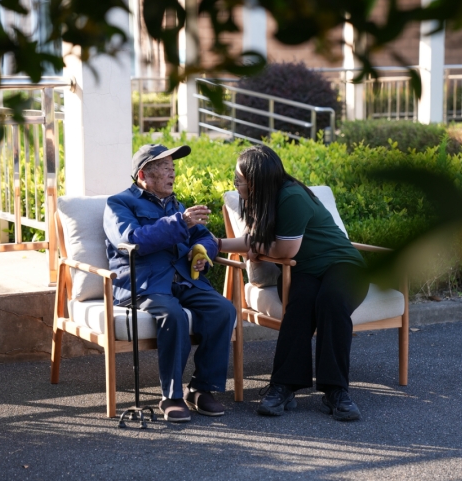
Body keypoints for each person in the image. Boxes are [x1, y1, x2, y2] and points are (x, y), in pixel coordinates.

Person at [219, 146, 369, 421]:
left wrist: (258, 247)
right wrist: (217, 244)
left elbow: (286, 250)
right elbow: (252, 240)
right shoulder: (259, 199)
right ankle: (284, 387)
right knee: (299, 306)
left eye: (239, 179)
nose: (236, 183)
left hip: (344, 265)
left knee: (331, 301)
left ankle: (336, 391)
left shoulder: (291, 196)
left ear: (256, 179)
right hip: (306, 271)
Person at [104, 143, 236, 423]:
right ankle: (172, 396)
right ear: (143, 175)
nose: (172, 171)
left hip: (184, 281)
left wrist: (201, 252)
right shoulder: (119, 203)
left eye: (172, 166)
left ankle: (201, 389)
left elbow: (204, 237)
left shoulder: (177, 205)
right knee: (173, 315)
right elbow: (132, 240)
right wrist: (180, 223)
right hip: (144, 284)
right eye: (164, 167)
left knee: (223, 310)